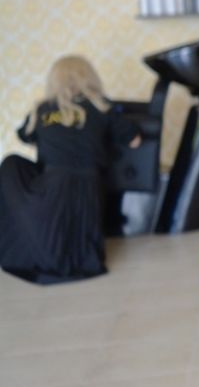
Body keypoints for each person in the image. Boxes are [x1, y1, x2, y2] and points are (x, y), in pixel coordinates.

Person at [0, 56, 140, 284]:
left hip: (52, 188)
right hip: (88, 188)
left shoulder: (42, 110)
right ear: (89, 77)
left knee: (11, 164)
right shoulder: (101, 106)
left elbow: (25, 136)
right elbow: (134, 141)